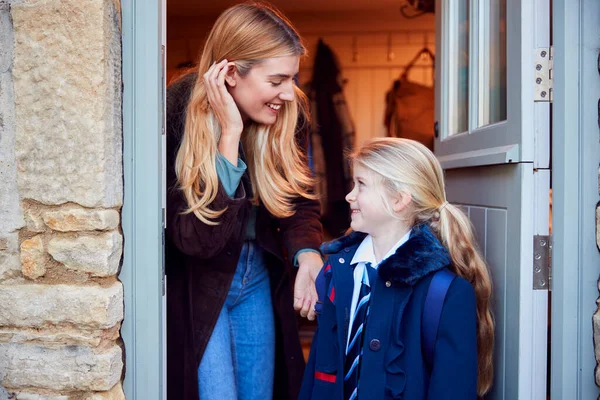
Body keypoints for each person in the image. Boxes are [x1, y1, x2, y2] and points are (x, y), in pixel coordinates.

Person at [165, 3, 324, 400]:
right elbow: (196, 241)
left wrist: (308, 253)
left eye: (292, 78)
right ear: (231, 73)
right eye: (277, 80)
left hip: (258, 277)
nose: (289, 93)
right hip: (202, 282)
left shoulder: (289, 113)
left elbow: (298, 198)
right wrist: (230, 136)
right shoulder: (175, 112)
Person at [299, 138, 494, 399]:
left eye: (361, 185)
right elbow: (318, 372)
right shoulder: (336, 272)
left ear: (399, 200)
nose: (349, 195)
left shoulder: (445, 293)